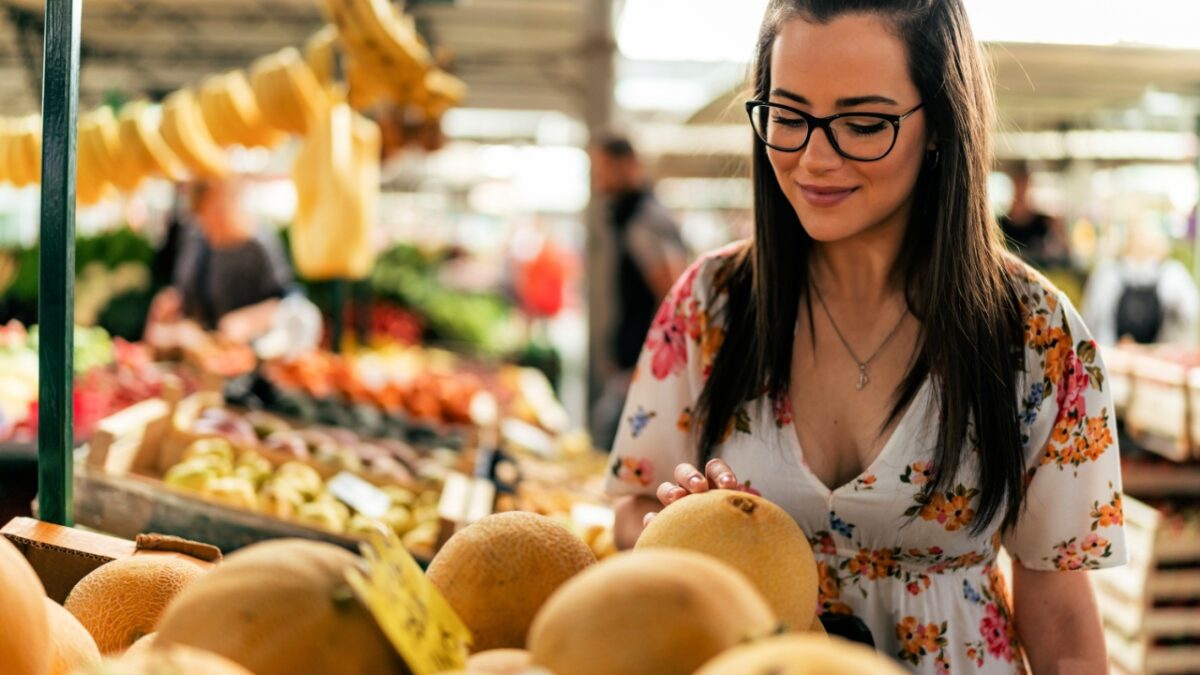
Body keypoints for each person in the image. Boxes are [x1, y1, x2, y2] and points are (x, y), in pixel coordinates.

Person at [605, 2, 1125, 674]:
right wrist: (675, 522)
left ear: (939, 123)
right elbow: (632, 509)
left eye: (862, 123)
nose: (815, 158)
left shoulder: (1035, 334)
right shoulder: (709, 307)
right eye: (788, 116)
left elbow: (1060, 614)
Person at [587, 133, 688, 449]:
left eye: (601, 168)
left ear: (626, 165)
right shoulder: (630, 214)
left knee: (615, 443)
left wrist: (652, 361)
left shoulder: (644, 218)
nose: (597, 179)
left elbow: (673, 290)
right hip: (634, 358)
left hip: (642, 362)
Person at [147, 177, 319, 356]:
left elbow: (289, 301)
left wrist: (249, 320)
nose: (212, 222)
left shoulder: (259, 245)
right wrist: (171, 304)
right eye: (204, 215)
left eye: (218, 210)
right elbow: (185, 293)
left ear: (235, 200)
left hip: (247, 358)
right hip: (202, 357)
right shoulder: (196, 241)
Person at [1082, 218, 1200, 345]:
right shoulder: (1107, 273)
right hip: (1115, 353)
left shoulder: (1172, 275)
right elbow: (1091, 320)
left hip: (1157, 355)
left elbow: (1190, 313)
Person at [999, 163, 1071, 269]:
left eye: (1024, 185)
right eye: (1018, 184)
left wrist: (1059, 230)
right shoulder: (1000, 223)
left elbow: (1065, 252)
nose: (1021, 190)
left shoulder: (1044, 221)